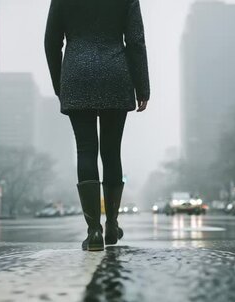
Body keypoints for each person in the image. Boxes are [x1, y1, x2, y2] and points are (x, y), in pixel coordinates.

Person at [45, 0, 150, 252]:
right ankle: (112, 224)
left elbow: (51, 41)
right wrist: (143, 87)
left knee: (86, 150)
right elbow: (136, 42)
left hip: (77, 76)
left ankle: (94, 232)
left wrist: (59, 84)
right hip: (116, 73)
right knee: (112, 152)